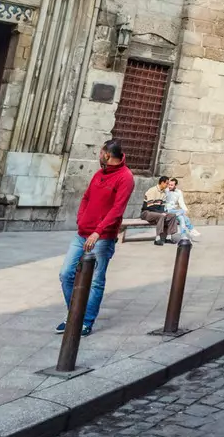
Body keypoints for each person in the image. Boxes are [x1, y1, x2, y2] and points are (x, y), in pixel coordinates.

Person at [57, 139, 134, 336]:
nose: (99, 157)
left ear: (107, 155)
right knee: (66, 273)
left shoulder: (125, 177)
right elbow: (86, 197)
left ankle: (85, 321)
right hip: (82, 233)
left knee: (95, 280)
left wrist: (98, 231)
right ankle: (74, 314)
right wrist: (81, 218)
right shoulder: (99, 174)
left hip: (103, 237)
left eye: (100, 153)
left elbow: (117, 209)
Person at [155, 177, 191, 244]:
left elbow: (181, 202)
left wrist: (186, 209)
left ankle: (183, 235)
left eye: (171, 185)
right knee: (181, 212)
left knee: (182, 218)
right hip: (167, 210)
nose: (169, 186)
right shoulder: (165, 190)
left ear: (175, 185)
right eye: (169, 184)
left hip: (174, 210)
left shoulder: (179, 192)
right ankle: (190, 228)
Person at [141, 176, 168, 241]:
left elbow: (162, 207)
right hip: (146, 212)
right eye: (166, 183)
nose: (167, 185)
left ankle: (168, 237)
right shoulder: (152, 190)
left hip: (156, 213)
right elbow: (150, 207)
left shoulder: (164, 193)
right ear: (162, 182)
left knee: (172, 216)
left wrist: (163, 212)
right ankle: (158, 238)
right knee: (161, 216)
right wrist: (161, 213)